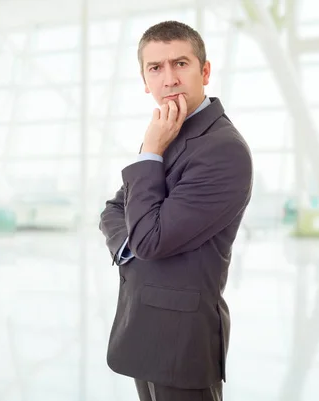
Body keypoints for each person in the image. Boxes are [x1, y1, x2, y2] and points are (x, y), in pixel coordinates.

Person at [98, 20, 253, 401]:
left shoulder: (222, 149)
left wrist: (150, 152)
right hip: (144, 326)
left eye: (180, 64)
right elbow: (114, 209)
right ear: (144, 79)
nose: (169, 79)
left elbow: (150, 237)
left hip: (182, 340)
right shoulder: (169, 130)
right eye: (156, 68)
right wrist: (132, 240)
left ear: (205, 71)